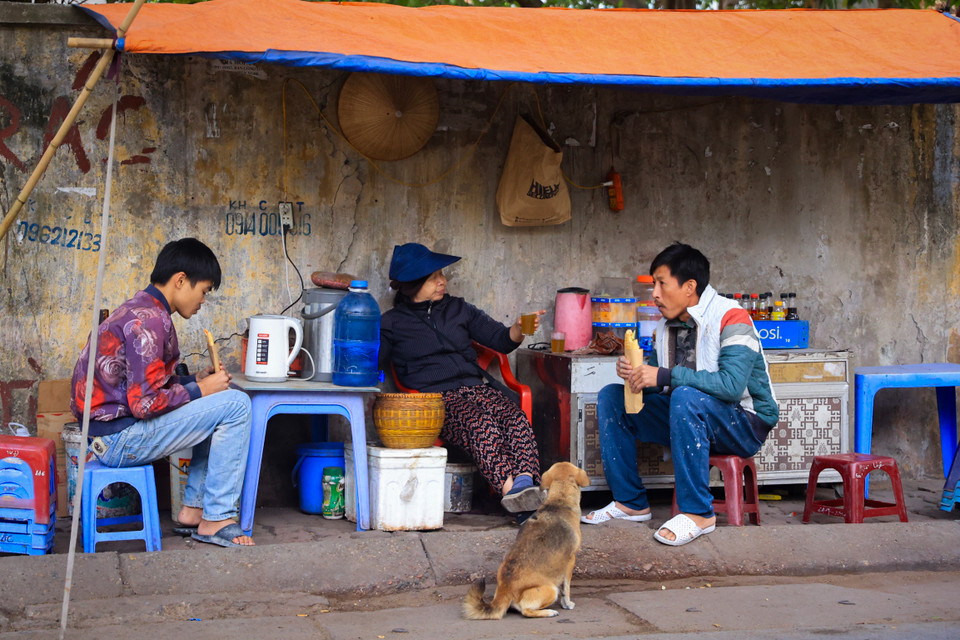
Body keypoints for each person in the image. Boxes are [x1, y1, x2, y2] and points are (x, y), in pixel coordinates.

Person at [582, 243, 778, 546]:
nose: (655, 294)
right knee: (612, 396)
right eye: (654, 284)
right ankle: (631, 503)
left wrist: (663, 376)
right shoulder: (665, 326)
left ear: (689, 287)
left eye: (662, 284)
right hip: (692, 414)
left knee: (686, 396)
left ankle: (699, 513)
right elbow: (665, 384)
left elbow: (731, 387)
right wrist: (641, 374)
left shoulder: (731, 316)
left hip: (744, 423)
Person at [70, 238, 254, 548]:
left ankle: (194, 511)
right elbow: (144, 404)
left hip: (106, 434)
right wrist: (200, 390)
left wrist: (196, 381)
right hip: (118, 440)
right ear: (181, 280)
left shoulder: (140, 309)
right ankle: (218, 517)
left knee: (219, 399)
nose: (202, 301)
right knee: (236, 404)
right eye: (204, 291)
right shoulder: (150, 321)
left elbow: (146, 386)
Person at [379, 242, 545, 522]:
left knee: (514, 417)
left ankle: (525, 485)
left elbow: (501, 341)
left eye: (441, 275)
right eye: (434, 278)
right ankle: (514, 498)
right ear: (411, 285)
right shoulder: (392, 323)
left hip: (479, 388)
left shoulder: (459, 309)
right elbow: (373, 365)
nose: (442, 281)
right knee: (480, 424)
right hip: (437, 399)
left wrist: (517, 329)